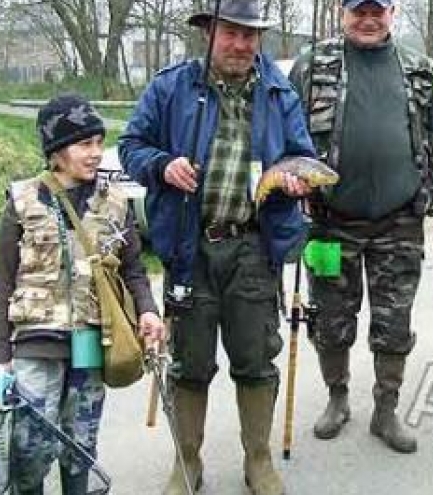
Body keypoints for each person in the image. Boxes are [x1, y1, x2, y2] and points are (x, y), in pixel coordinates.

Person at [118, 0, 315, 493]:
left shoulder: (278, 92)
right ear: (209, 34)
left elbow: (302, 154)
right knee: (190, 363)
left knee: (255, 361)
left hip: (253, 248)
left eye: (251, 36)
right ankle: (187, 462)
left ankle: (259, 461)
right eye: (232, 33)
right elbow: (131, 145)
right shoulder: (171, 87)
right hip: (191, 250)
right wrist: (161, 164)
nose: (242, 44)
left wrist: (296, 179)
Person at [0, 93, 165, 494]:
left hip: (90, 343)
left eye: (99, 143)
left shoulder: (115, 203)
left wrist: (149, 312)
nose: (96, 153)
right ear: (56, 151)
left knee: (80, 443)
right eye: (85, 144)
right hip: (35, 343)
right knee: (29, 446)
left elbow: (134, 270)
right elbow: (3, 280)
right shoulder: (22, 200)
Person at [288, 0, 433, 454]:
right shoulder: (312, 66)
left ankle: (386, 409)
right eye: (359, 10)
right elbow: (285, 135)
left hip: (399, 222)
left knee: (394, 325)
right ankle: (337, 398)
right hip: (329, 224)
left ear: (392, 11)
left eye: (378, 9)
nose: (368, 19)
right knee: (331, 321)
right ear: (341, 11)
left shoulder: (419, 69)